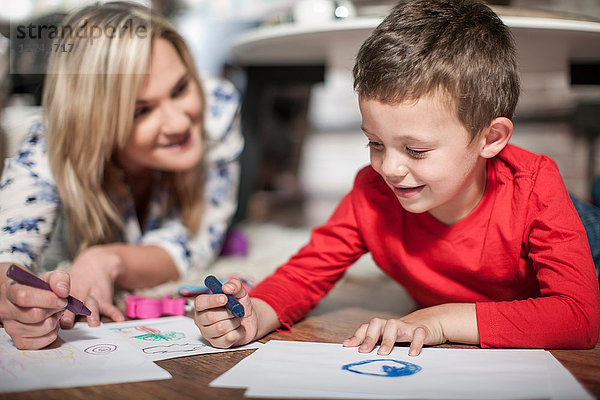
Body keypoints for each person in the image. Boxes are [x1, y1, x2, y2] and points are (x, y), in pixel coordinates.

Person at [194, 0, 600, 355]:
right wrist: (254, 314)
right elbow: (304, 274)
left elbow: (578, 317)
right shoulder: (373, 193)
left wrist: (439, 321)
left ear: (490, 139)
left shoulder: (534, 187)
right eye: (375, 143)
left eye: (416, 150)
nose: (389, 168)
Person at [0, 1, 243, 349]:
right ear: (93, 121)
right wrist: (13, 300)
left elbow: (195, 244)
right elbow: (7, 250)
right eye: (140, 111)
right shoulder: (52, 138)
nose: (178, 122)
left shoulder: (217, 106)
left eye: (180, 89)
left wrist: (106, 259)